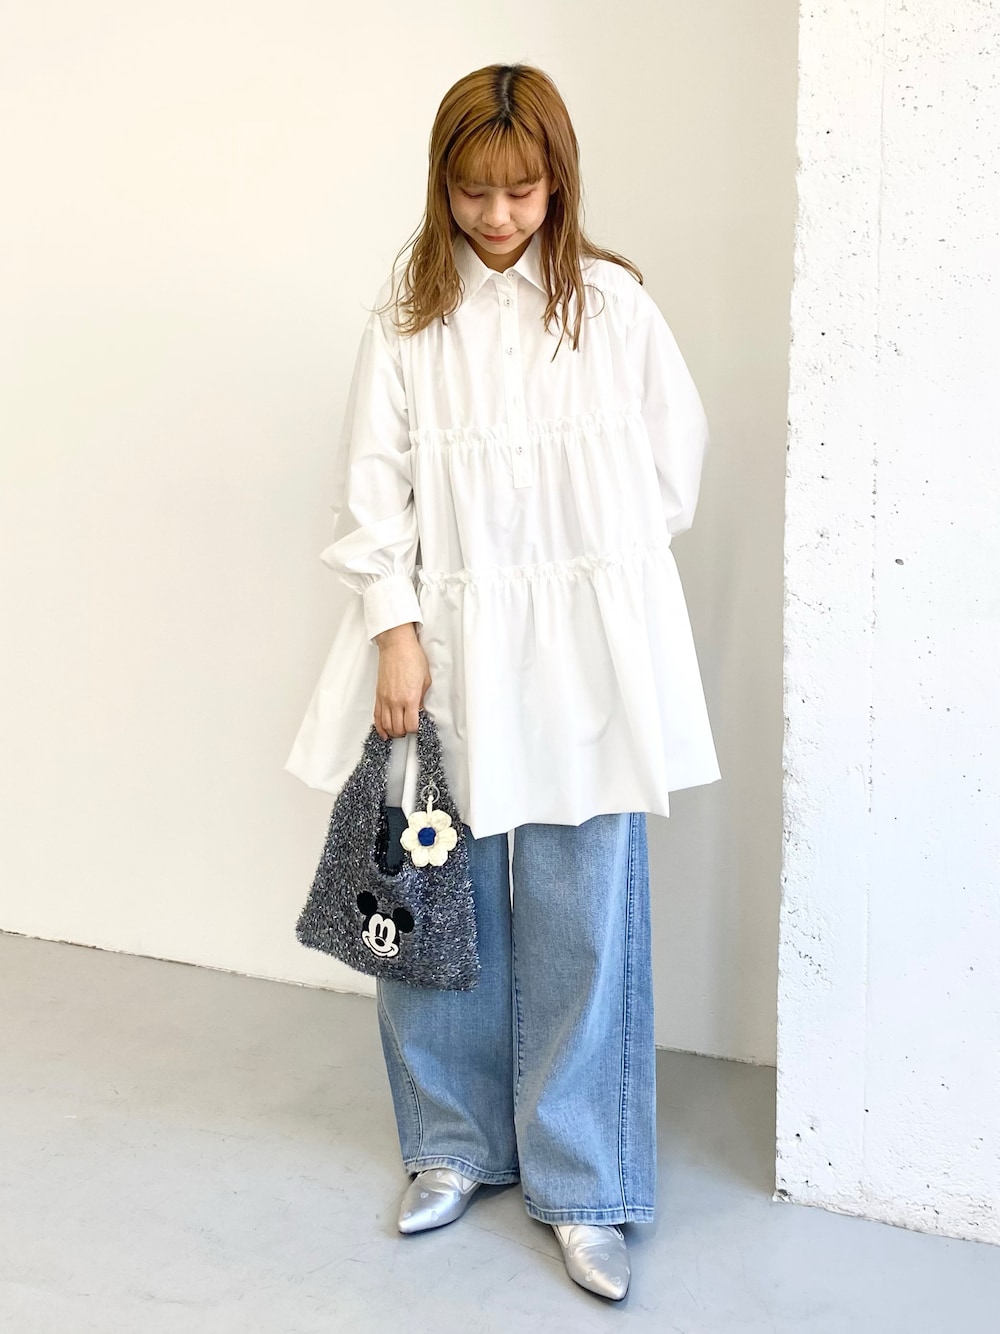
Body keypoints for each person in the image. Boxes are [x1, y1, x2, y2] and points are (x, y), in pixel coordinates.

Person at [285, 62, 721, 1302]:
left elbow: (670, 471)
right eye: (472, 192)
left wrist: (585, 579)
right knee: (438, 899)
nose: (495, 216)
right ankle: (453, 1142)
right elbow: (370, 496)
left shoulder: (612, 308)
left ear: (558, 183)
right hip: (449, 644)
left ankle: (583, 1182)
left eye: (520, 191)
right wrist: (397, 629)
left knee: (585, 906)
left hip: (584, 647)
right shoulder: (407, 322)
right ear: (442, 187)